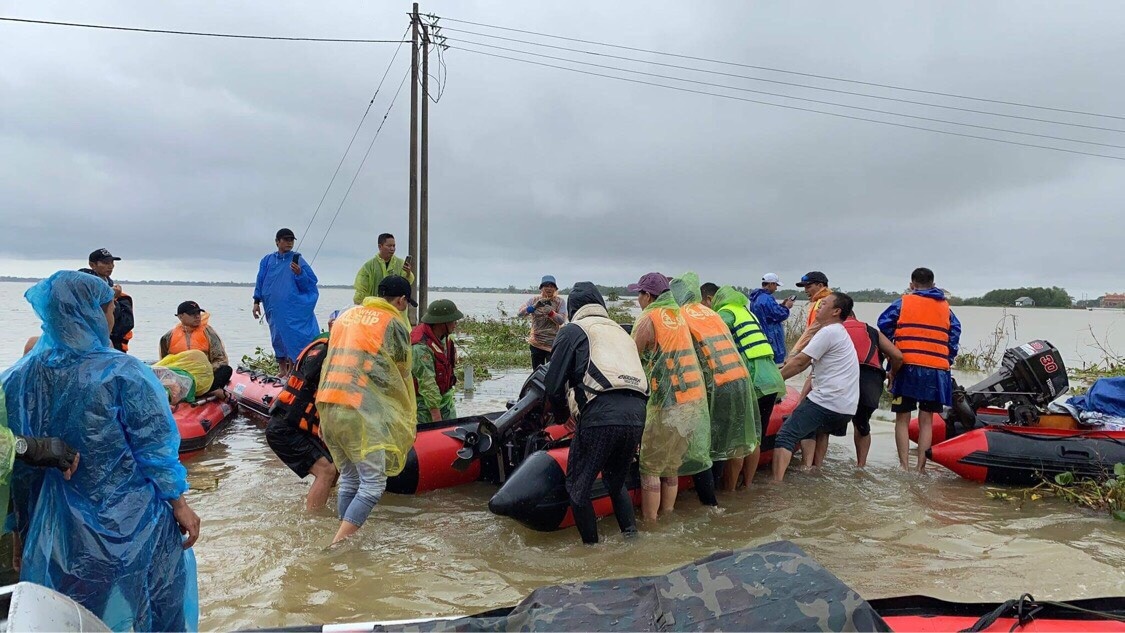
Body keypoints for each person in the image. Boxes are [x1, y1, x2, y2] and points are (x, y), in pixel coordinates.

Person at [1, 271, 200, 631]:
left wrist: (20, 530)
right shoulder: (125, 373)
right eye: (109, 309)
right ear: (92, 313)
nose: (112, 317)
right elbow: (154, 449)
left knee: (69, 616)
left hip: (59, 528)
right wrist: (181, 505)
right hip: (138, 521)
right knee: (159, 612)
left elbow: (16, 465)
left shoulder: (18, 377)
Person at [543, 282, 647, 544]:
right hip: (637, 414)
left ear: (574, 308)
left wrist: (561, 417)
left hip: (601, 415)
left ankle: (591, 550)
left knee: (578, 488)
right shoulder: (623, 332)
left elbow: (553, 385)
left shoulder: (572, 331)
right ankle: (632, 540)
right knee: (615, 481)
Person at [317, 276, 417, 544]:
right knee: (373, 484)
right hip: (358, 409)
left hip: (328, 404)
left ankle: (344, 534)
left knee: (349, 477)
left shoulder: (347, 316)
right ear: (401, 300)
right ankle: (338, 544)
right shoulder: (392, 322)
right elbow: (402, 370)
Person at [671, 273, 759, 506]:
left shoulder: (680, 317)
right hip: (738, 381)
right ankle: (717, 496)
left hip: (714, 386)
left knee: (702, 446)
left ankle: (708, 504)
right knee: (720, 442)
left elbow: (683, 358)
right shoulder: (710, 313)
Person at [628, 273, 710, 521]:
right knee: (672, 464)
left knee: (651, 467)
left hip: (667, 403)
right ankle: (669, 515)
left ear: (648, 296)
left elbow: (632, 356)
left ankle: (651, 523)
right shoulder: (679, 316)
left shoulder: (647, 319)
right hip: (693, 400)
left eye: (639, 295)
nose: (638, 300)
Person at [878, 267, 961, 471]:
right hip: (936, 371)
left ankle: (904, 466)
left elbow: (883, 325)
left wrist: (891, 353)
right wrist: (946, 359)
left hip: (907, 367)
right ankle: (921, 468)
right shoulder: (946, 308)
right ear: (933, 284)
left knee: (902, 419)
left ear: (911, 284)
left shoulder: (902, 303)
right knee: (926, 421)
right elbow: (954, 336)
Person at [772, 292, 859, 482]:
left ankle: (775, 487)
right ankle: (812, 472)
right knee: (810, 427)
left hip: (828, 401)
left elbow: (800, 363)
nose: (819, 306)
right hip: (846, 407)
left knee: (785, 435)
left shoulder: (829, 331)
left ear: (836, 311)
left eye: (824, 304)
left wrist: (774, 381)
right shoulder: (840, 333)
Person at [710, 285, 788, 489]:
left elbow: (710, 340)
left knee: (738, 437)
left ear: (712, 299)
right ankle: (748, 485)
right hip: (771, 379)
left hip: (751, 381)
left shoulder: (725, 313)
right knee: (755, 437)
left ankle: (729, 490)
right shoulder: (746, 312)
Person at [266, 309, 344, 511]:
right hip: (286, 427)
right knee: (327, 470)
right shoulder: (325, 353)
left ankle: (325, 506)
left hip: (298, 425)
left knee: (335, 468)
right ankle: (313, 521)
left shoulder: (326, 349)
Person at [253, 228, 320, 377]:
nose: (289, 242)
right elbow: (260, 280)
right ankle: (282, 369)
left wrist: (299, 274)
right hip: (272, 307)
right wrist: (256, 301)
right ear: (277, 241)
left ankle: (292, 369)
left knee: (292, 336)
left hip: (292, 308)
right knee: (277, 336)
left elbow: (309, 284)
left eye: (291, 240)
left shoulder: (298, 259)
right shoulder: (267, 260)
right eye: (286, 239)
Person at [842, 314, 903, 467]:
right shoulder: (871, 331)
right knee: (862, 425)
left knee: (826, 425)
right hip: (870, 380)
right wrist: (892, 374)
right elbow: (897, 356)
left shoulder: (832, 329)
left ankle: (815, 466)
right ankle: (861, 466)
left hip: (843, 378)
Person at [159, 300, 232, 392]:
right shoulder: (167, 337)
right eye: (192, 314)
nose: (197, 316)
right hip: (180, 377)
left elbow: (221, 359)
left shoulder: (209, 333)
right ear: (180, 317)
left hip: (204, 376)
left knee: (226, 370)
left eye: (198, 313)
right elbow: (164, 361)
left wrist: (205, 370)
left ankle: (209, 393)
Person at [412, 299, 463, 424]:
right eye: (453, 321)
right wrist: (436, 415)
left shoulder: (445, 338)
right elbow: (427, 383)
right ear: (441, 323)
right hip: (424, 405)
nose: (456, 324)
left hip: (445, 400)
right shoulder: (421, 348)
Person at [80, 248, 134, 352]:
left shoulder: (110, 285)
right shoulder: (84, 284)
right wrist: (111, 296)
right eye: (105, 263)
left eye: (112, 263)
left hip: (112, 340)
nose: (110, 266)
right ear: (92, 265)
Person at [352, 233, 414, 305]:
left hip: (396, 310)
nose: (392, 249)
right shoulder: (369, 266)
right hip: (376, 309)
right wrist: (358, 304)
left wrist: (408, 273)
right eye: (389, 246)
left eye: (394, 246)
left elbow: (406, 284)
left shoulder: (400, 264)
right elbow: (361, 288)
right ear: (380, 246)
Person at [520, 275, 567, 370]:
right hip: (536, 342)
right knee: (537, 371)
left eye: (551, 286)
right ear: (541, 288)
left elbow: (561, 320)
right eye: (546, 286)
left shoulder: (560, 302)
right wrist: (532, 308)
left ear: (555, 288)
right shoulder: (534, 300)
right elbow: (520, 314)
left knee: (552, 372)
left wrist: (551, 313)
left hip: (553, 344)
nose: (549, 288)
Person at [749, 273, 795, 365]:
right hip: (771, 335)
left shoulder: (755, 298)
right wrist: (787, 307)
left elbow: (769, 313)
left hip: (761, 333)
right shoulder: (767, 299)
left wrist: (781, 305)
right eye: (776, 285)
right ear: (770, 284)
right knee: (776, 363)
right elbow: (779, 314)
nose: (776, 288)